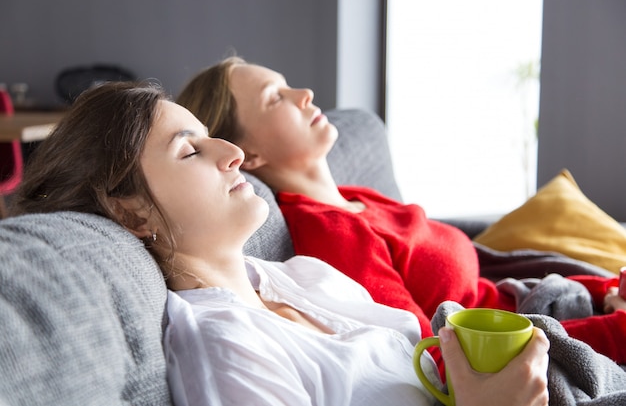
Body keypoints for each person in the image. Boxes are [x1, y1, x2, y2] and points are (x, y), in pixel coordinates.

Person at [10, 81, 549, 406]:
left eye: (210, 135)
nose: (231, 152)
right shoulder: (226, 347)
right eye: (189, 151)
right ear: (130, 209)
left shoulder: (304, 276)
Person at [176, 56, 626, 367]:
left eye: (289, 84)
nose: (306, 94)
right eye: (276, 98)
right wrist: (615, 328)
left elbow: (486, 289)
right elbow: (434, 354)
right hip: (525, 347)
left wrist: (605, 287)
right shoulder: (329, 234)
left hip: (547, 307)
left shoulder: (358, 197)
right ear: (246, 154)